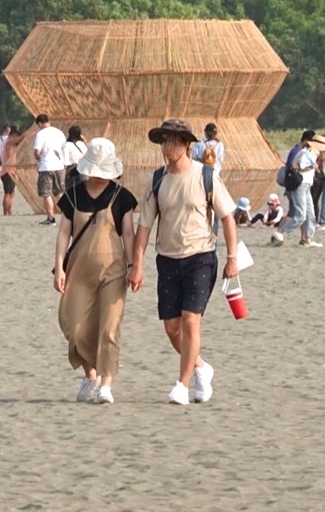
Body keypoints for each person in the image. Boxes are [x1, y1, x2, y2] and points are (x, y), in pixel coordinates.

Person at [129, 118, 239, 405]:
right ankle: (201, 368)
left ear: (186, 144)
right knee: (171, 328)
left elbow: (228, 217)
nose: (167, 146)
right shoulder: (157, 180)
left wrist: (231, 258)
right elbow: (144, 226)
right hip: (167, 259)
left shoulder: (206, 176)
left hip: (201, 256)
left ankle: (182, 385)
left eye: (174, 140)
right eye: (164, 140)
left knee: (191, 322)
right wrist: (137, 265)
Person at [54, 137, 138, 406]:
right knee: (75, 328)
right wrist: (59, 267)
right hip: (78, 271)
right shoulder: (73, 195)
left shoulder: (121, 196)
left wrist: (134, 266)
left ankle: (106, 384)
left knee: (109, 328)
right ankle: (90, 374)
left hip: (113, 272)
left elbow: (128, 233)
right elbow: (64, 232)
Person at [279, 130, 320, 248]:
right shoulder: (299, 152)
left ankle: (306, 238)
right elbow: (293, 168)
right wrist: (311, 167)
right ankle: (280, 232)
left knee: (308, 214)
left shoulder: (305, 151)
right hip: (297, 185)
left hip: (304, 185)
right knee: (298, 214)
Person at [32, 114, 66, 225]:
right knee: (60, 192)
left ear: (39, 123)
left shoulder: (40, 134)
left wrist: (38, 160)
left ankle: (51, 218)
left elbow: (37, 152)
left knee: (46, 193)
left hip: (46, 167)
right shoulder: (59, 132)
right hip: (59, 166)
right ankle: (67, 216)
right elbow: (64, 148)